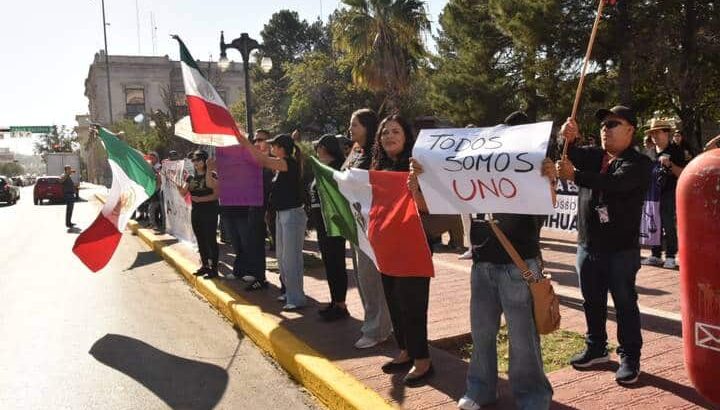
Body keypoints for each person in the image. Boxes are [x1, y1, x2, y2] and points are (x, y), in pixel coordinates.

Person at [416, 112, 553, 409]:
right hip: (482, 264)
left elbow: (549, 202)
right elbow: (433, 206)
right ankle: (480, 390)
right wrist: (420, 180)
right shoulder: (473, 177)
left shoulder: (533, 171)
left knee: (523, 337)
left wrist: (549, 176)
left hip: (519, 265)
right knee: (481, 333)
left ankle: (533, 397)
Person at [556, 105, 652, 385]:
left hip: (621, 250)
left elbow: (615, 184)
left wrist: (574, 176)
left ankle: (630, 356)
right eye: (602, 125)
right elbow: (568, 154)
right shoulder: (595, 156)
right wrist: (567, 137)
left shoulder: (639, 163)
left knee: (624, 304)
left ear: (631, 130)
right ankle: (596, 346)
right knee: (592, 301)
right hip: (588, 245)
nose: (604, 130)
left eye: (612, 124)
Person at [371, 114, 434, 387]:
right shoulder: (377, 167)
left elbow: (430, 207)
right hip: (386, 246)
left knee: (413, 305)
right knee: (394, 302)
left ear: (406, 136)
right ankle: (405, 350)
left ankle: (423, 360)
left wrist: (416, 188)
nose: (389, 136)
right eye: (384, 133)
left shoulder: (418, 166)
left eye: (395, 131)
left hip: (413, 246)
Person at [240, 133, 308, 311]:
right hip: (281, 214)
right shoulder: (280, 165)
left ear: (282, 148)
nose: (271, 148)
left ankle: (296, 297)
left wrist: (245, 143)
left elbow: (262, 160)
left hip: (292, 214)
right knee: (282, 257)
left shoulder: (288, 163)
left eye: (274, 145)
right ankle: (289, 292)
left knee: (291, 258)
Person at [343, 108, 392, 349]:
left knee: (371, 277)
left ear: (367, 127)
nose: (350, 129)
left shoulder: (377, 154)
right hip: (355, 221)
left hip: (371, 223)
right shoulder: (355, 150)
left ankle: (378, 329)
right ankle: (372, 322)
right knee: (363, 277)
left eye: (355, 125)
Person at [310, 135, 349, 321]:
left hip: (332, 222)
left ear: (325, 148)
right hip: (321, 222)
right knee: (329, 262)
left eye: (318, 147)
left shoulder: (337, 168)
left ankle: (341, 304)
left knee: (336, 262)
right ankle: (335, 300)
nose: (316, 150)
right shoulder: (322, 167)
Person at [641, 118, 687, 269]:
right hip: (652, 194)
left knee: (668, 223)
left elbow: (683, 173)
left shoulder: (676, 151)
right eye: (652, 133)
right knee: (653, 223)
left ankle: (671, 256)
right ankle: (655, 255)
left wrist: (670, 164)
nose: (654, 136)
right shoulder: (650, 152)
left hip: (669, 192)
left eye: (657, 132)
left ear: (667, 134)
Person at [177, 150, 220, 278]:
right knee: (200, 239)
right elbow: (183, 193)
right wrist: (179, 187)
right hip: (196, 212)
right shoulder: (190, 177)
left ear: (205, 161)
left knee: (211, 239)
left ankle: (214, 268)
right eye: (193, 160)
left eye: (198, 160)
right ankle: (205, 265)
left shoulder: (212, 175)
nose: (195, 162)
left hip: (210, 211)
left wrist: (201, 199)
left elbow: (216, 195)